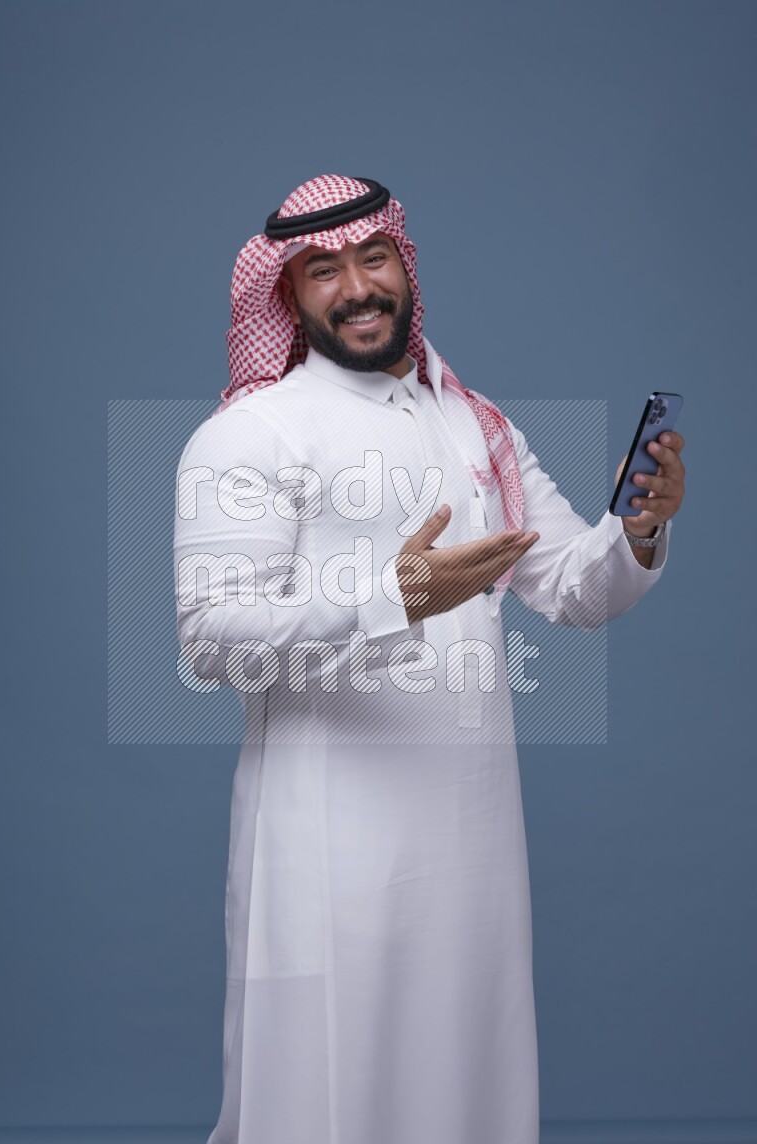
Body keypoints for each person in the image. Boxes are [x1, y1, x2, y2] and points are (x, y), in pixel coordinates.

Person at [173, 175, 686, 1144]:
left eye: (372, 258)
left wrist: (640, 528)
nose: (355, 286)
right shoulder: (246, 434)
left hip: (473, 838)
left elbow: (575, 588)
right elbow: (209, 639)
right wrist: (390, 598)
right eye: (322, 270)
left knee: (467, 1086)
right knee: (328, 1088)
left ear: (403, 265)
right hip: (327, 843)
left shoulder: (468, 422)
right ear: (283, 294)